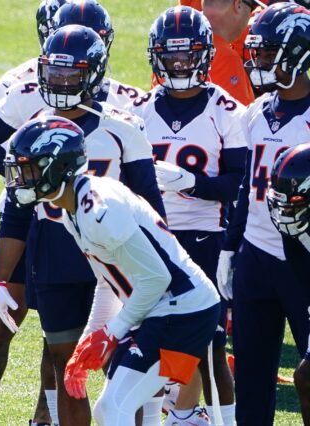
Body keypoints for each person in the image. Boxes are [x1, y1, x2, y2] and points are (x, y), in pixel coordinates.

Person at [0, 24, 166, 426]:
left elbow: (152, 207)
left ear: (94, 74)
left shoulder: (122, 127)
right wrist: (1, 279)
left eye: (72, 73)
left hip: (116, 256)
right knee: (67, 365)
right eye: (55, 72)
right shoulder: (31, 131)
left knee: (127, 362)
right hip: (54, 249)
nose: (61, 81)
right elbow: (16, 211)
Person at [0, 115, 220, 426]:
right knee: (111, 409)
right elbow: (111, 280)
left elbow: (157, 279)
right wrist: (93, 336)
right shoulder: (73, 207)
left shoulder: (100, 210)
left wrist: (113, 332)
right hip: (164, 308)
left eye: (28, 167)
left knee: (114, 408)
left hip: (182, 309)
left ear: (57, 166)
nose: (20, 177)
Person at [129, 6, 247, 425]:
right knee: (141, 344)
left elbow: (240, 182)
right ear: (156, 56)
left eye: (187, 54)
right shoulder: (138, 111)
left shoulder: (227, 110)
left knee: (210, 347)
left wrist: (190, 183)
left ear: (204, 55)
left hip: (203, 236)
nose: (179, 63)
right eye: (171, 55)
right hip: (148, 237)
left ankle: (217, 419)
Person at [216, 3, 310, 424]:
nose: (258, 62)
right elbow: (244, 187)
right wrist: (229, 248)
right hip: (255, 254)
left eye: (269, 53)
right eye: (257, 52)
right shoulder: (256, 111)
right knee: (252, 379)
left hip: (304, 259)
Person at [267, 143, 310, 424]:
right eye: (281, 201)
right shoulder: (292, 231)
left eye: (294, 203)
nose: (285, 212)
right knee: (305, 378)